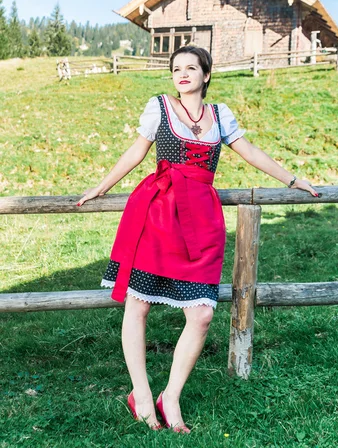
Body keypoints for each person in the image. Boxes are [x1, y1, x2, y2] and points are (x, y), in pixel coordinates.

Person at [76, 45, 319, 433]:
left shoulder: (220, 116)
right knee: (137, 307)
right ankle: (141, 394)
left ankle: (169, 396)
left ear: (206, 75)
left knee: (202, 313)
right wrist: (99, 187)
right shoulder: (159, 108)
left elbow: (251, 151)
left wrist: (293, 179)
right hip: (157, 214)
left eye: (191, 68)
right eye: (176, 68)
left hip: (202, 220)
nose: (183, 74)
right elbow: (136, 153)